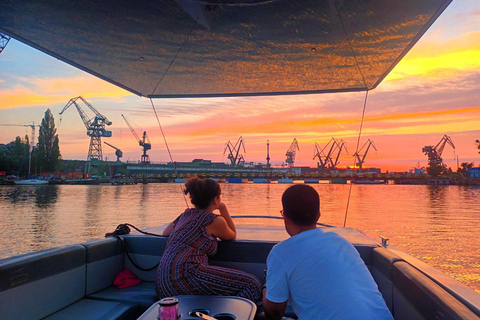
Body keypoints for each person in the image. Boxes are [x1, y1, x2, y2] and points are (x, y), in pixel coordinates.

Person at [261, 184, 393, 320]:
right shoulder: (342, 243)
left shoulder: (281, 253)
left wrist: (265, 288)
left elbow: (274, 313)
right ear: (318, 216)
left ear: (285, 217)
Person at [155, 177, 262, 302]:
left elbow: (165, 232)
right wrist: (223, 208)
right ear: (216, 200)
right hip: (184, 278)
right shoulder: (214, 220)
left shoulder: (186, 214)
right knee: (252, 284)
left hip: (163, 284)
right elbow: (232, 234)